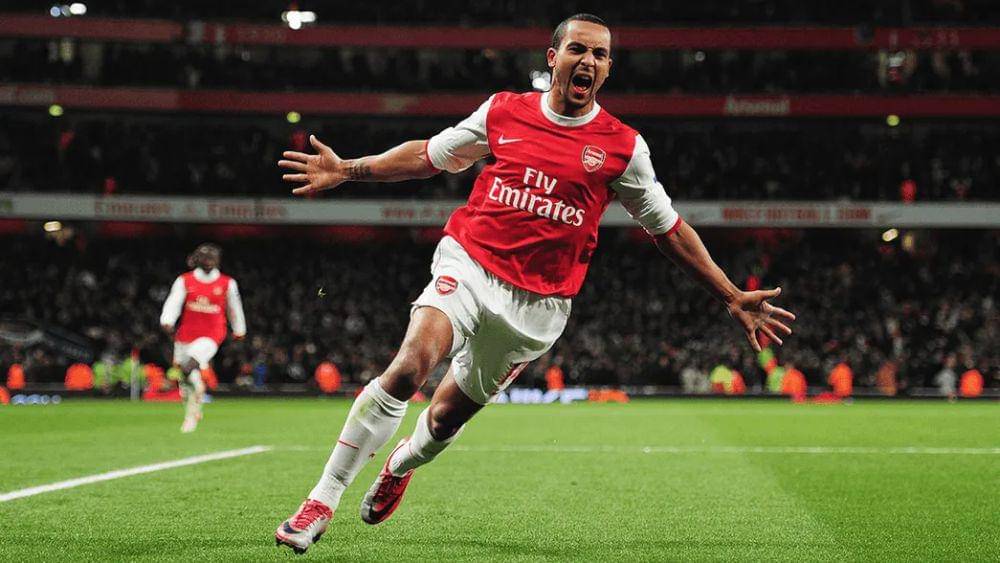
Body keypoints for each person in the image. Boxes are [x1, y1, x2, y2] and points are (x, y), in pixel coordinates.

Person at [274, 14, 796, 554]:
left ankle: (401, 464)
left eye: (599, 54)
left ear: (608, 69)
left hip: (538, 306)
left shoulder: (623, 148)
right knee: (410, 366)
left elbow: (668, 229)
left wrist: (731, 294)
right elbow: (429, 155)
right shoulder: (504, 111)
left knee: (446, 417)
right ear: (553, 58)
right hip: (470, 263)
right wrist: (349, 170)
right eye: (578, 50)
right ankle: (321, 501)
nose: (588, 61)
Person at [159, 243, 246, 433]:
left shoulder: (227, 283)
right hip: (186, 335)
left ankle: (192, 412)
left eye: (212, 257)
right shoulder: (185, 280)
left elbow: (235, 307)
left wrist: (239, 329)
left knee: (190, 364)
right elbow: (174, 301)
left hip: (212, 334)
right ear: (197, 259)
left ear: (218, 260)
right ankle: (194, 406)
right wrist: (167, 320)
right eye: (205, 257)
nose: (209, 261)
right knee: (185, 381)